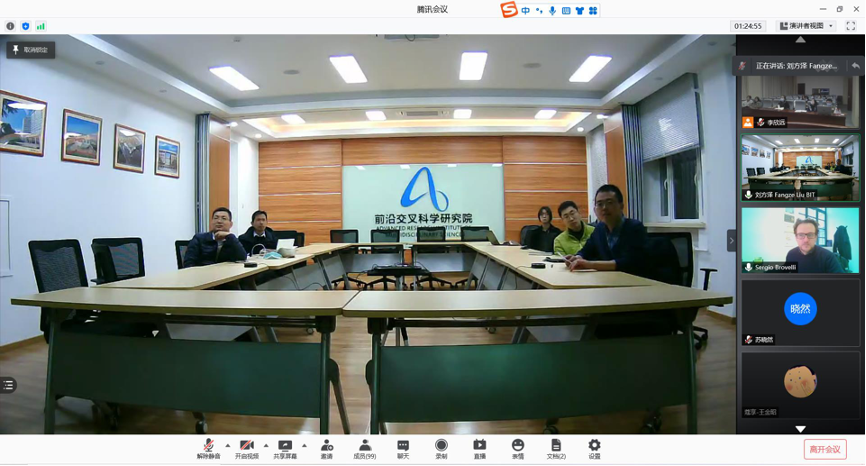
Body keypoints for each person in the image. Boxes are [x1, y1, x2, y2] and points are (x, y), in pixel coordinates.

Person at [566, 185, 648, 277]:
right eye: (600, 204)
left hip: (634, 281)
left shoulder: (634, 227)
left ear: (621, 206)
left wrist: (590, 264)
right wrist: (577, 257)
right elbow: (586, 250)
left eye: (609, 203)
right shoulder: (599, 229)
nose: (604, 208)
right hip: (608, 280)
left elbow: (629, 262)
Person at [183, 207, 248, 268]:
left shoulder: (232, 240)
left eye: (224, 218)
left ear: (231, 224)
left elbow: (242, 258)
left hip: (225, 273)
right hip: (203, 273)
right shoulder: (199, 238)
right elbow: (188, 263)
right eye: (216, 218)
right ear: (211, 222)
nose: (219, 221)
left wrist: (230, 236)